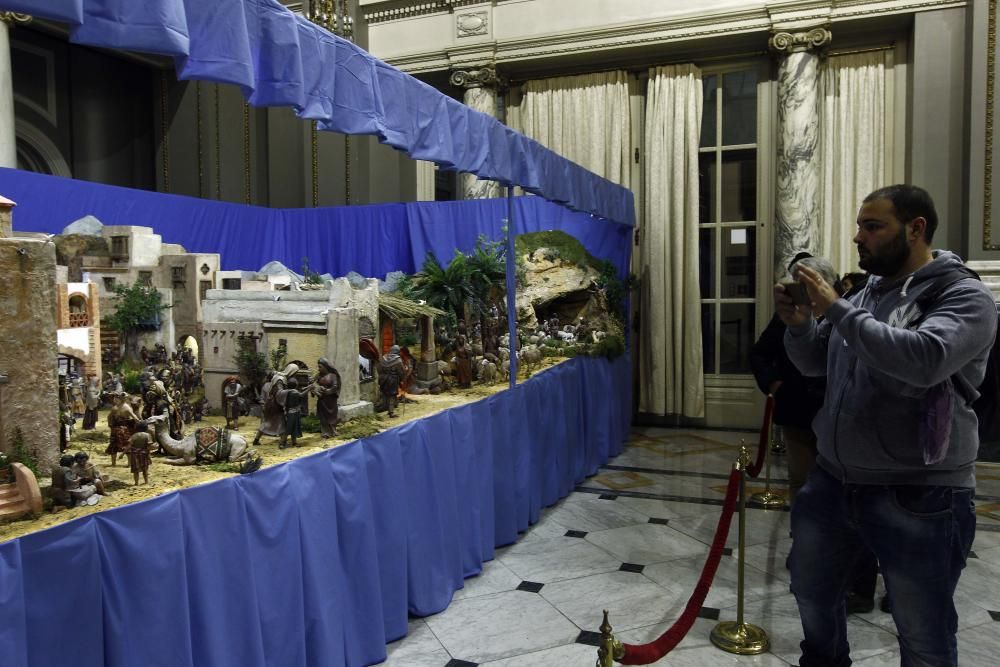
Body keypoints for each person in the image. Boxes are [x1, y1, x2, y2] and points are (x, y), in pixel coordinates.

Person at [777, 185, 997, 666]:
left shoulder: (963, 296)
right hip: (834, 481)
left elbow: (925, 360)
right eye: (859, 226)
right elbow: (818, 364)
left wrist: (836, 308)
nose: (859, 237)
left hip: (919, 495)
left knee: (923, 634)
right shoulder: (869, 291)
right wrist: (799, 326)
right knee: (812, 596)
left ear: (916, 229)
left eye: (873, 226)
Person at [751, 253, 878, 613]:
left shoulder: (850, 308)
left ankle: (858, 580)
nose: (801, 290)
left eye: (806, 284)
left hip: (844, 418)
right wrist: (773, 384)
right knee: (804, 488)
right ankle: (806, 548)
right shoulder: (788, 315)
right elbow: (761, 353)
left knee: (854, 502)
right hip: (798, 415)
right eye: (796, 283)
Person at [106, 392, 140, 467]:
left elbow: (134, 416)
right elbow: (109, 417)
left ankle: (124, 464)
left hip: (120, 429)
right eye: (115, 398)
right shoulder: (118, 407)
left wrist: (110, 425)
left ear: (120, 399)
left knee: (122, 446)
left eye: (116, 398)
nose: (115, 399)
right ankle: (118, 463)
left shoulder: (122, 407)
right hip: (120, 429)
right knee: (118, 446)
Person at [313, 358, 341, 438]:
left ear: (325, 367)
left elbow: (335, 386)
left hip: (331, 400)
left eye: (320, 367)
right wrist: (316, 388)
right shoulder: (318, 376)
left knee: (332, 415)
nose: (319, 369)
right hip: (322, 400)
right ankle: (325, 431)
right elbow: (313, 384)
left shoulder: (333, 376)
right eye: (318, 367)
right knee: (323, 416)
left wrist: (327, 391)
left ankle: (333, 429)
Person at [378, 345, 405, 417]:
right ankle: (391, 412)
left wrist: (382, 377)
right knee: (392, 395)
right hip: (392, 380)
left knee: (384, 393)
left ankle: (385, 407)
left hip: (383, 379)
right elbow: (401, 372)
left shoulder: (383, 358)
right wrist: (402, 379)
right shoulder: (398, 360)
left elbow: (379, 369)